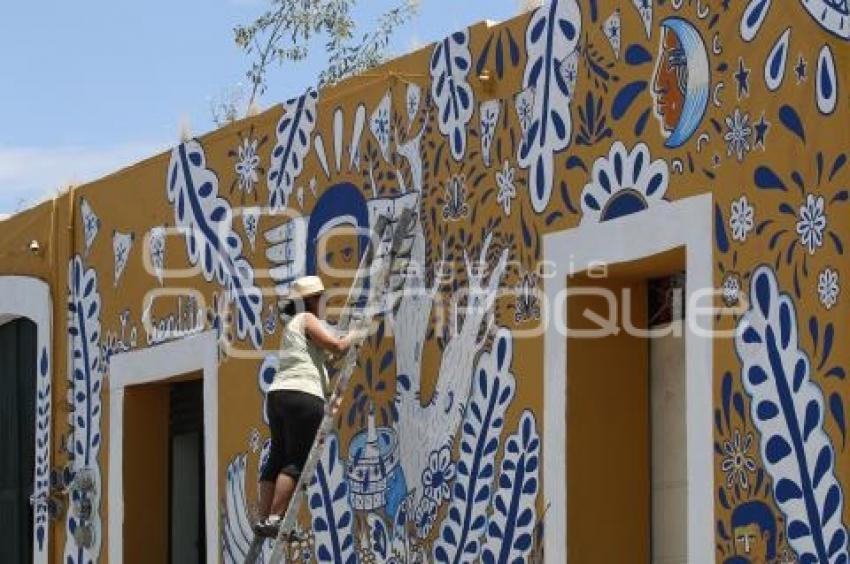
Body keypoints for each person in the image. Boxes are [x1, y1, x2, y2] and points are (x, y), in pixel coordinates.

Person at [253, 275, 360, 537]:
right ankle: (277, 517)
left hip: (278, 395)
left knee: (277, 457)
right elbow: (337, 346)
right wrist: (356, 334)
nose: (324, 301)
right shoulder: (307, 319)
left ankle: (263, 518)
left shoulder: (292, 326)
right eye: (321, 297)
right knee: (296, 460)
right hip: (302, 394)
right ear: (310, 301)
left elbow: (323, 354)